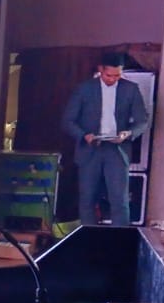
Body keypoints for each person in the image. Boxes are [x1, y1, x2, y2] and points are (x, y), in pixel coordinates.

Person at [61, 50, 150, 225]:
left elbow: (142, 120)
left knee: (120, 200)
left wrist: (128, 133)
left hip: (117, 150)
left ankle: (117, 244)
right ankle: (90, 242)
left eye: (118, 75)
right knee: (87, 200)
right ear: (100, 70)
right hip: (90, 149)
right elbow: (67, 121)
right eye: (109, 75)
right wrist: (84, 135)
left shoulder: (130, 89)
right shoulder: (84, 89)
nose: (113, 79)